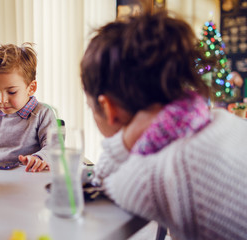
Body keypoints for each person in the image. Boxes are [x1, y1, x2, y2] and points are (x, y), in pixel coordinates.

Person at [80, 11, 247, 240]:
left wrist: (126, 139)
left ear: (108, 108)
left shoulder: (155, 176)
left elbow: (103, 182)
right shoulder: (220, 119)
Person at [0, 43, 56, 173]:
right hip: (2, 178)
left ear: (31, 88)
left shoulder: (42, 114)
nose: (2, 100)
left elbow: (54, 148)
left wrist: (38, 158)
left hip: (30, 175)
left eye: (11, 92)